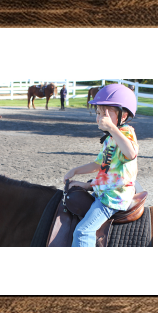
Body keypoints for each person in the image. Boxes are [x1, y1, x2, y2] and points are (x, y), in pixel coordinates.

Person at [63, 83, 139, 247]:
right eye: (98, 113)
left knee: (83, 231)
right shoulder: (110, 138)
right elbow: (100, 165)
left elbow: (131, 153)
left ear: (122, 116)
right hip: (105, 190)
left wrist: (112, 128)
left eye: (104, 113)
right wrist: (76, 172)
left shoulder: (125, 133)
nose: (99, 118)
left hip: (113, 197)